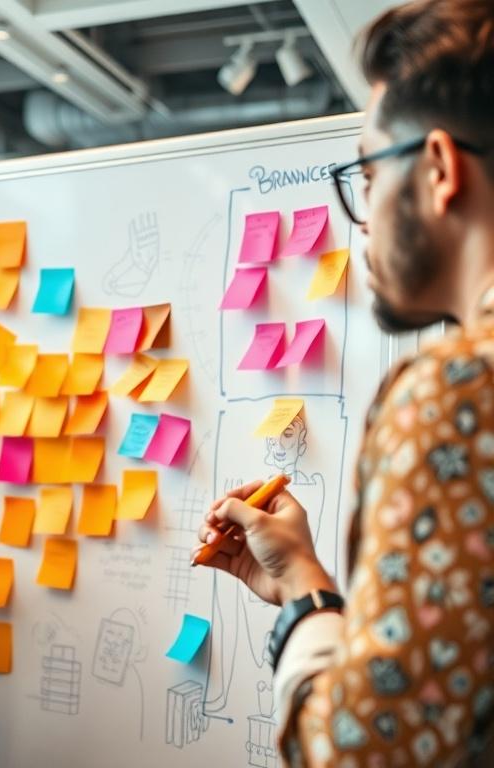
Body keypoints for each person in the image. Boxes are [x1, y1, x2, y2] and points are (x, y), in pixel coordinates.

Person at [195, 1, 494, 764]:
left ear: (436, 168)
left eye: (365, 173)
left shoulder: (459, 391)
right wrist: (301, 573)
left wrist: (306, 606)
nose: (360, 220)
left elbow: (358, 754)